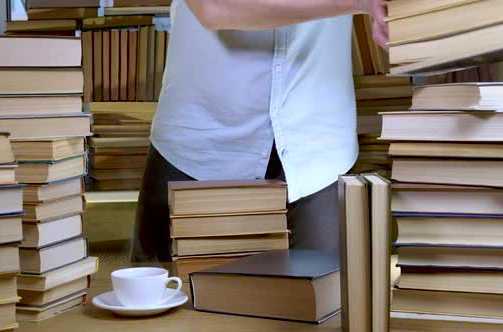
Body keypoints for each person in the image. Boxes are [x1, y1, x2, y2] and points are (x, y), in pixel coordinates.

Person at [130, 0, 388, 262]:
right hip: (200, 148)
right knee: (165, 295)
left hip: (318, 153)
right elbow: (214, 8)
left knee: (326, 296)